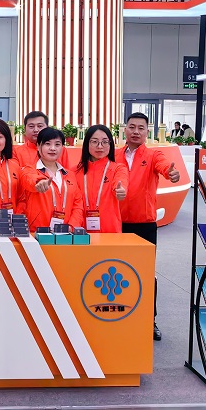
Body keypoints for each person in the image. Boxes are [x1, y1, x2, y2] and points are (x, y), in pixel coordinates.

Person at [117, 112, 180, 341]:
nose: (136, 131)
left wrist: (172, 174)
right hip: (116, 224)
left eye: (140, 128)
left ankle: (149, 320)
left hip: (144, 224)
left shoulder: (154, 155)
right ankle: (120, 318)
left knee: (145, 274)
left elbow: (165, 167)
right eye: (132, 127)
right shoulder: (114, 155)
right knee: (117, 271)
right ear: (125, 129)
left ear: (147, 132)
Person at [19, 127, 84, 232]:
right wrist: (39, 182)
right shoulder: (29, 170)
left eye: (57, 144)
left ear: (62, 148)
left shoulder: (70, 175)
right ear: (38, 146)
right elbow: (28, 180)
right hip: (37, 234)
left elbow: (78, 204)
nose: (53, 148)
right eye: (47, 144)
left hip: (65, 234)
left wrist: (72, 226)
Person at [74, 125, 128, 233]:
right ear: (87, 144)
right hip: (81, 231)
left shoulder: (118, 168)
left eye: (105, 142)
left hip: (109, 232)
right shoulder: (74, 171)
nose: (100, 146)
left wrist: (120, 191)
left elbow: (121, 182)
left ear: (110, 144)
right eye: (94, 142)